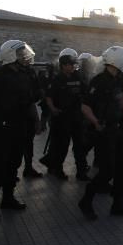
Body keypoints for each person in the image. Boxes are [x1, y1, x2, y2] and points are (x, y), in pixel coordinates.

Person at [78, 46, 123, 220]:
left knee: (122, 169)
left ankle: (118, 205)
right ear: (115, 61)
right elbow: (85, 106)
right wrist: (96, 123)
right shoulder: (98, 81)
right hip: (104, 130)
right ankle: (86, 201)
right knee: (107, 172)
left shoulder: (119, 79)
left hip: (118, 129)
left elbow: (121, 100)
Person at [0, 40, 42, 220]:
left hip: (21, 127)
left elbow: (30, 101)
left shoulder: (27, 74)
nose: (25, 56)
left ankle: (8, 198)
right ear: (11, 55)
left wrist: (37, 121)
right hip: (2, 128)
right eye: (20, 53)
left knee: (14, 164)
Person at [39, 48, 89, 180]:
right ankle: (57, 169)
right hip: (62, 118)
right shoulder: (57, 79)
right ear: (63, 66)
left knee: (80, 146)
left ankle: (81, 171)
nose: (73, 66)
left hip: (77, 117)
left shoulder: (77, 77)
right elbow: (49, 97)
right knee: (62, 146)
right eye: (71, 64)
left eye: (74, 64)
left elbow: (86, 92)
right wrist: (53, 109)